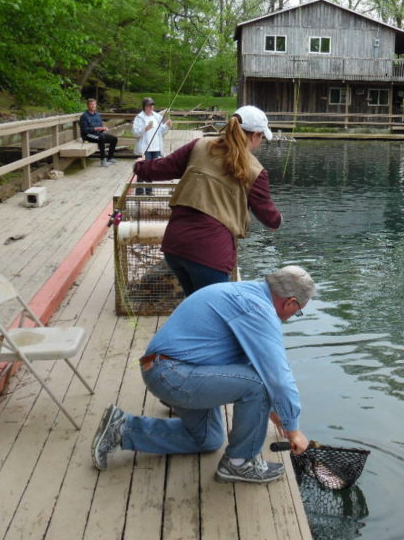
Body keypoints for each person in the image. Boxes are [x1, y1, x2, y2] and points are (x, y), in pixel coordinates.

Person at [91, 265, 315, 484]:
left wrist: (275, 411)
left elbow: (257, 362)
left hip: (168, 369)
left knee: (208, 440)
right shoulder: (258, 309)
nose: (293, 316)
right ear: (291, 302)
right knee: (259, 386)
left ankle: (123, 428)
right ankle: (240, 463)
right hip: (173, 375)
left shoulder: (244, 293)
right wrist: (294, 430)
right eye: (298, 311)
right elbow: (278, 378)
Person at [133, 105, 282, 295]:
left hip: (175, 245)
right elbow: (268, 214)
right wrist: (277, 221)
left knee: (195, 303)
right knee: (215, 310)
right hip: (210, 254)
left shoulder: (199, 145)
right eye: (261, 137)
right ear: (255, 135)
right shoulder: (256, 170)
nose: (260, 142)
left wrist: (140, 166)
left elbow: (164, 167)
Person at [132, 97, 172, 194]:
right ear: (144, 107)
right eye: (148, 106)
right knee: (142, 169)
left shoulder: (157, 117)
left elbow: (162, 131)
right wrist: (145, 129)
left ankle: (149, 190)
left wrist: (167, 125)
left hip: (156, 147)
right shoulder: (139, 117)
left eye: (152, 105)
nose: (151, 107)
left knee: (152, 169)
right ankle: (139, 191)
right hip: (145, 148)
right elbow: (135, 133)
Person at [79, 97, 118, 167]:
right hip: (88, 136)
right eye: (91, 104)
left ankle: (109, 158)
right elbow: (84, 130)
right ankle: (103, 161)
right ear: (88, 105)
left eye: (94, 104)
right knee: (101, 138)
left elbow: (100, 126)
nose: (93, 106)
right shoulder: (84, 116)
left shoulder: (97, 115)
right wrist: (96, 128)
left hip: (98, 134)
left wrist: (104, 128)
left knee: (114, 139)